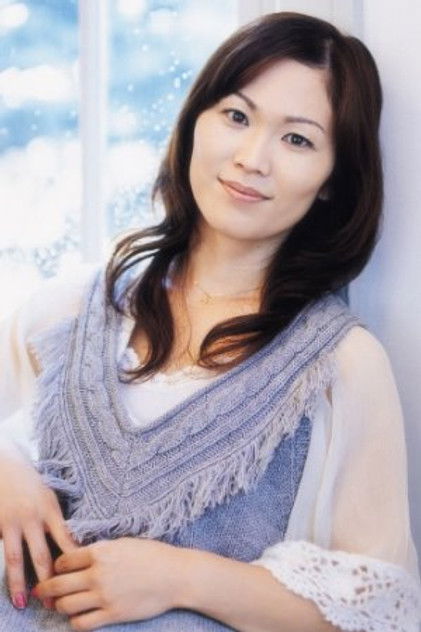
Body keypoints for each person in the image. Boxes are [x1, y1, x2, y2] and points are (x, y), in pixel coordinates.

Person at [0, 10, 420, 632]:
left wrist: (182, 577)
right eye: (237, 116)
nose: (252, 158)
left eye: (297, 140)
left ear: (333, 179)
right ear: (196, 120)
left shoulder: (342, 364)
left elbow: (379, 606)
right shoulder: (70, 307)